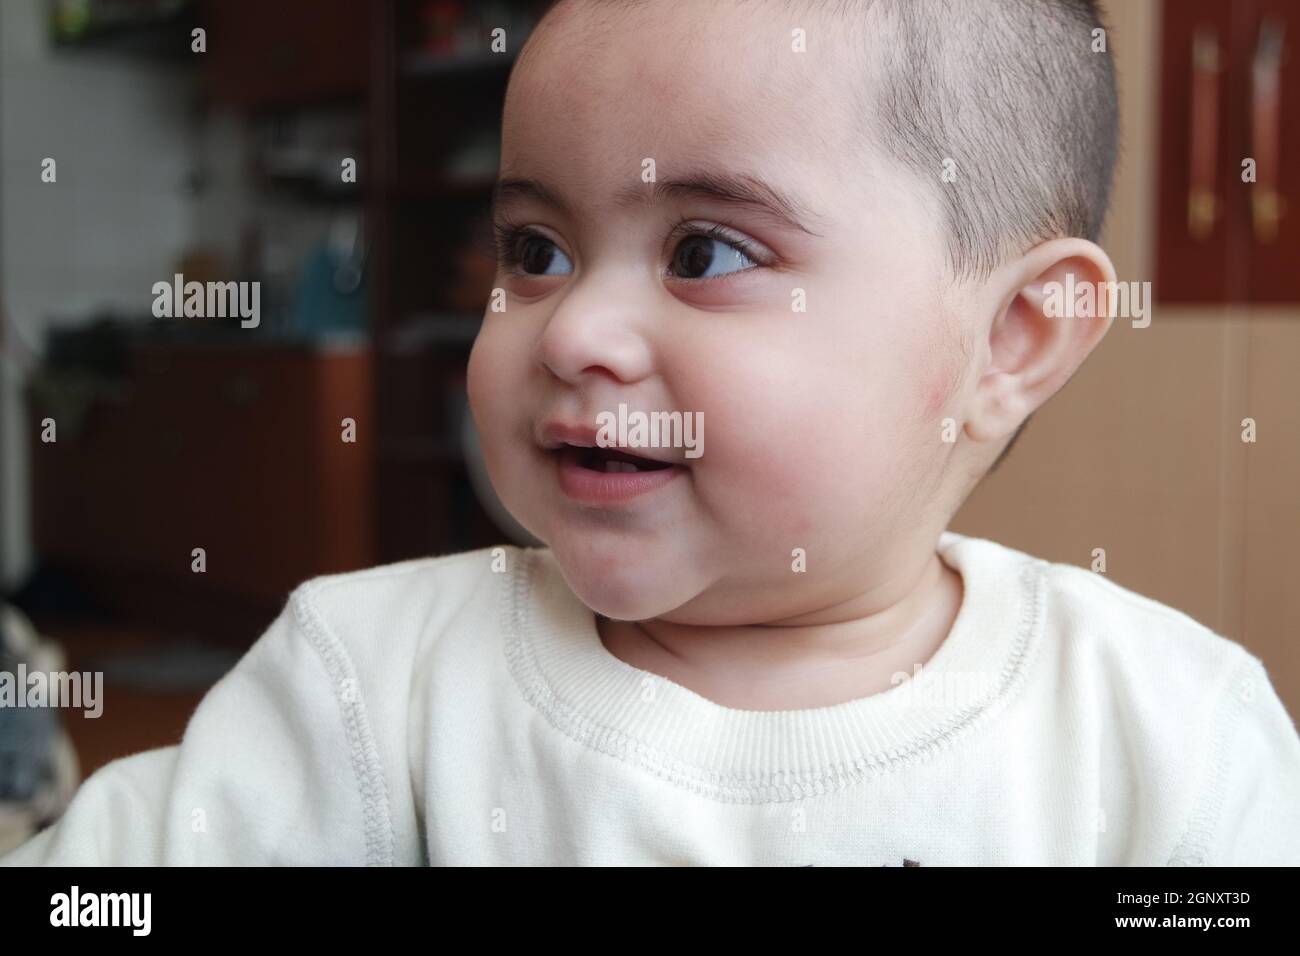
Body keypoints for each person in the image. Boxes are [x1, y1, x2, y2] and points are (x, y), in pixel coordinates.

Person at [5, 0, 1299, 865]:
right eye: (536, 249)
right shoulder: (369, 688)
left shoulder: (1163, 737)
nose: (571, 332)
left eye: (706, 250)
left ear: (1009, 341)